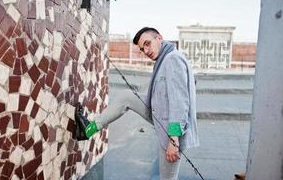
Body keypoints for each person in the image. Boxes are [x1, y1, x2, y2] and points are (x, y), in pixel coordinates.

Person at [75, 27, 199, 180]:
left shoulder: (173, 58)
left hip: (171, 130)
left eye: (148, 44)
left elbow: (180, 101)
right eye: (142, 48)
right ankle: (88, 130)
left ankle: (88, 130)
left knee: (168, 178)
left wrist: (173, 140)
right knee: (126, 97)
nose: (146, 50)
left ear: (159, 38)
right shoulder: (164, 59)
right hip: (159, 115)